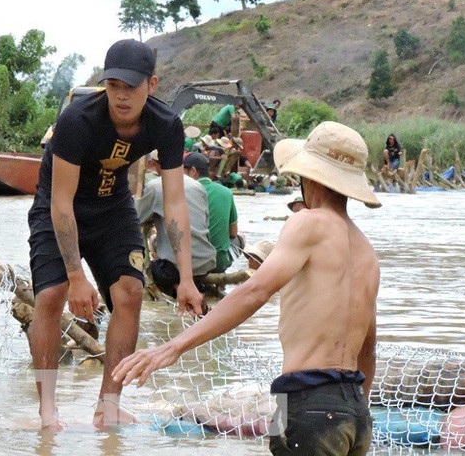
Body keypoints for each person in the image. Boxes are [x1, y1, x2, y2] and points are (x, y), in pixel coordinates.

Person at [113, 121, 381, 456]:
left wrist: (174, 347)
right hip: (355, 410)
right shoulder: (367, 251)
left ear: (308, 176)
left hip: (303, 400)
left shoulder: (307, 222)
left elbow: (255, 291)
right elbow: (368, 348)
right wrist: (359, 409)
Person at [26, 39, 204, 431]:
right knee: (51, 294)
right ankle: (48, 411)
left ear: (152, 85)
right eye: (113, 86)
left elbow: (175, 205)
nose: (121, 96)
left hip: (112, 207)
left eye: (131, 88)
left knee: (130, 291)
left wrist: (187, 278)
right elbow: (60, 203)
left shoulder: (167, 125)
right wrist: (76, 277)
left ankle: (107, 406)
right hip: (58, 206)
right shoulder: (78, 120)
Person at [136, 150, 216, 299]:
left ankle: (182, 294)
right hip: (206, 263)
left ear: (154, 164)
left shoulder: (155, 186)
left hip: (175, 270)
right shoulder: (197, 185)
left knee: (154, 268)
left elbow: (137, 217)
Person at [182, 152, 238, 274]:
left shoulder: (184, 192)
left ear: (193, 171)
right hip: (220, 262)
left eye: (183, 173)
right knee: (240, 239)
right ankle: (219, 281)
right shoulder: (226, 192)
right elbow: (233, 233)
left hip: (190, 263)